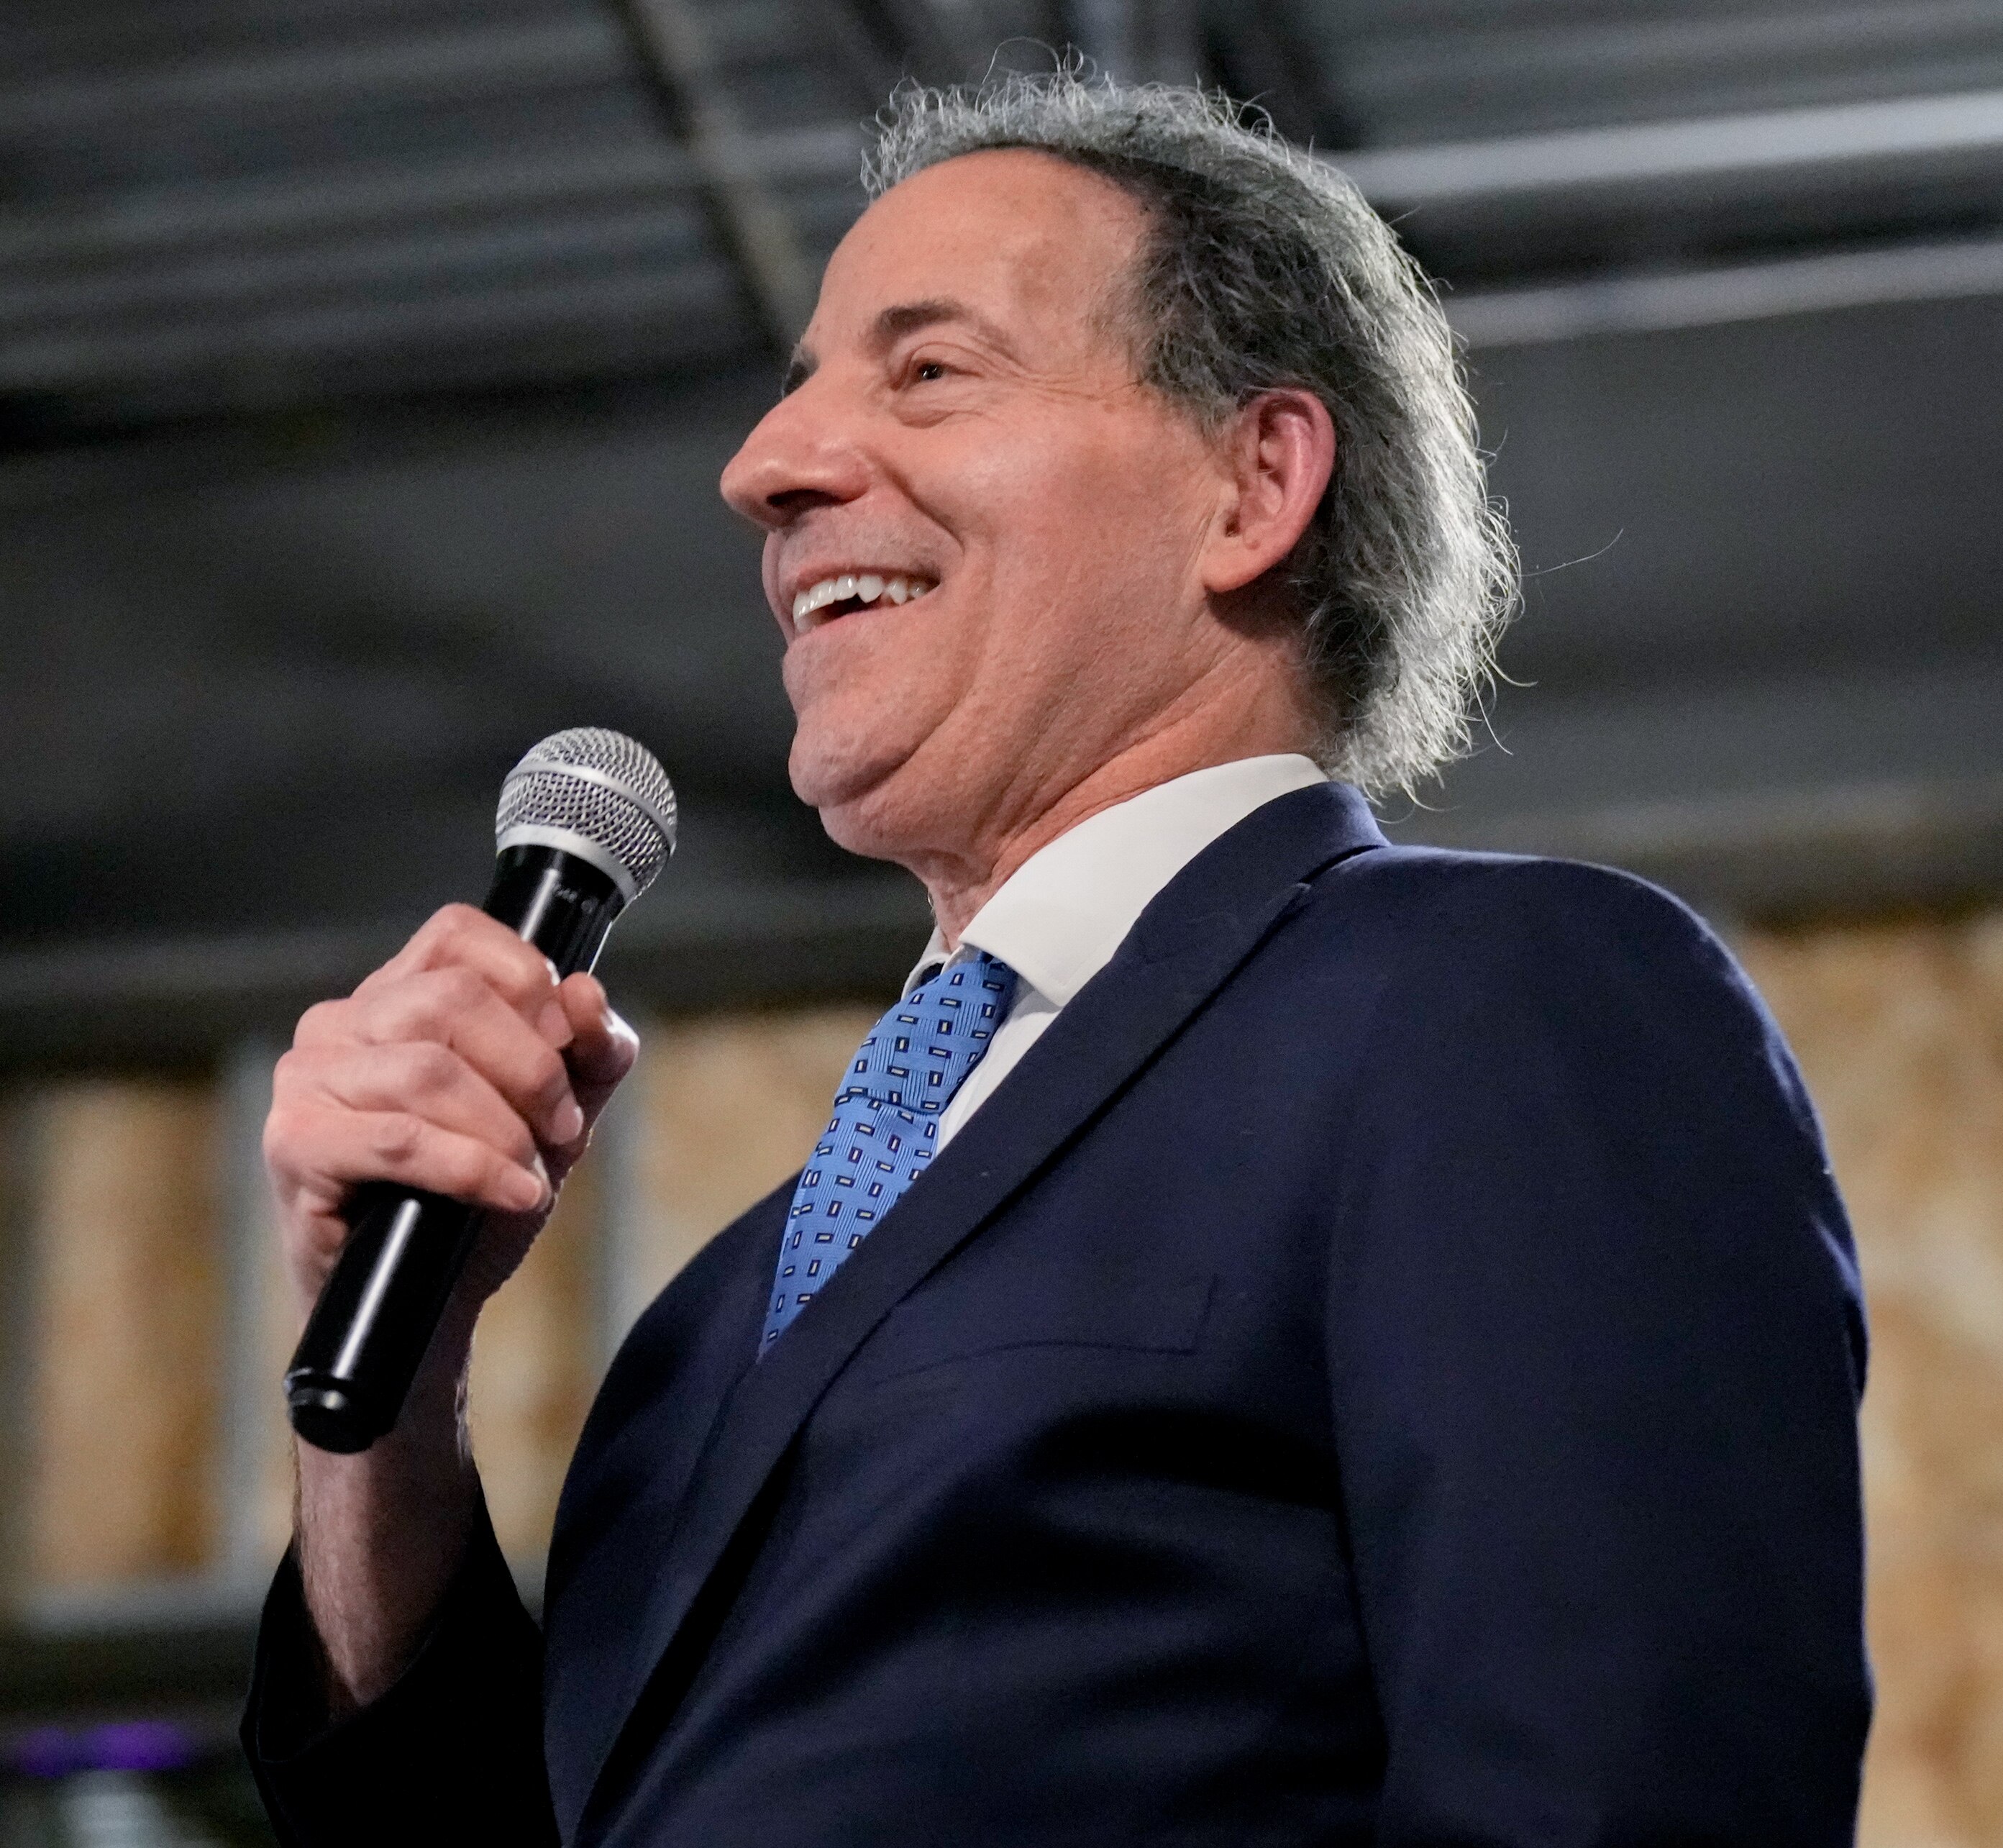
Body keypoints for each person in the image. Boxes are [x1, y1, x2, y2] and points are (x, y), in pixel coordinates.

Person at [243, 75, 1871, 1845]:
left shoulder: (1496, 1004)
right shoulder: (718, 1319)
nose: (764, 465)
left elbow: (1627, 1789)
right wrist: (383, 1418)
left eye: (927, 369)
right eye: (798, 385)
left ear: (1253, 485)